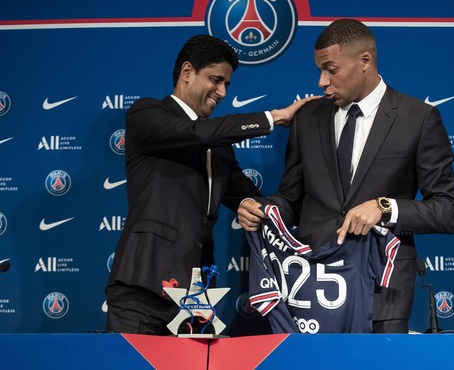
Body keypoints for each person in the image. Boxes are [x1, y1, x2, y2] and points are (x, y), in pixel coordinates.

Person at [238, 19, 454, 333]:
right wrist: (265, 210)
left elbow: (448, 211)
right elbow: (291, 198)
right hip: (313, 288)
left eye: (331, 69)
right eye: (319, 70)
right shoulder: (308, 118)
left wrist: (385, 208)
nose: (321, 82)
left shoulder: (419, 119)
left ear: (365, 62)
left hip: (382, 290)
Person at [105, 34, 318, 335]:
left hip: (197, 295)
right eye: (216, 80)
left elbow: (244, 194)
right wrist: (273, 118)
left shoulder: (219, 147)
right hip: (143, 288)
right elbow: (195, 132)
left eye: (227, 85)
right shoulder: (146, 114)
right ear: (187, 72)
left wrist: (249, 205)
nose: (221, 92)